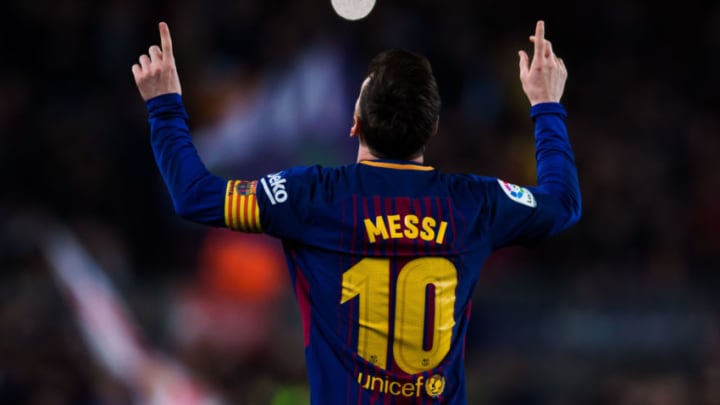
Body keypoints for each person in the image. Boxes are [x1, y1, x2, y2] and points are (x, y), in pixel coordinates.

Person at [132, 20, 581, 404]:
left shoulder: (313, 195)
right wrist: (546, 105)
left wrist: (165, 105)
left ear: (355, 124)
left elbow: (194, 195)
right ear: (433, 129)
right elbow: (563, 204)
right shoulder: (474, 202)